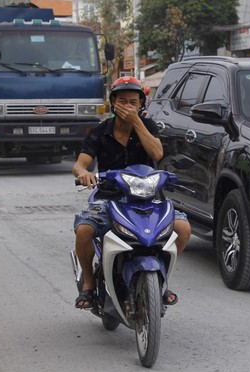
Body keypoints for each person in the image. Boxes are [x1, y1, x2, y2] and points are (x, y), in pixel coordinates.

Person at [71, 76, 191, 309]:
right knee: (84, 230)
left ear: (141, 105)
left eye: (133, 102)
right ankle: (88, 283)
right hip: (109, 198)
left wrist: (137, 122)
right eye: (122, 101)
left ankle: (162, 281)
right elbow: (80, 164)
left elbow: (157, 154)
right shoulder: (99, 132)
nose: (128, 106)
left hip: (151, 199)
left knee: (183, 229)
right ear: (113, 102)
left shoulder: (149, 126)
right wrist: (83, 173)